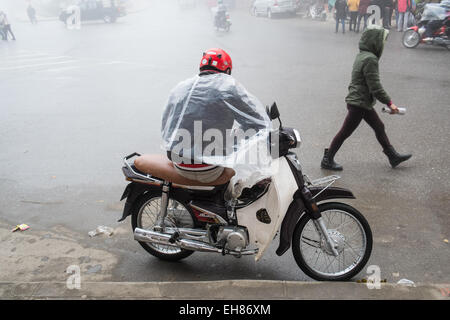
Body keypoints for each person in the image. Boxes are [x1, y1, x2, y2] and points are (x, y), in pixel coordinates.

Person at [135, 48, 271, 185]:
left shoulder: (181, 87)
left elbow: (167, 126)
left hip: (179, 163)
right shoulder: (228, 87)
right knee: (246, 156)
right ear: (228, 71)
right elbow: (259, 125)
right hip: (210, 170)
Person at [321, 25, 412, 171]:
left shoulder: (362, 54)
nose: (383, 44)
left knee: (379, 127)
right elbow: (375, 87)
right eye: (382, 41)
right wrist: (390, 103)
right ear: (375, 42)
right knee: (345, 132)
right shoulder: (370, 59)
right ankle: (327, 159)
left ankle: (392, 156)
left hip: (362, 101)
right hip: (359, 103)